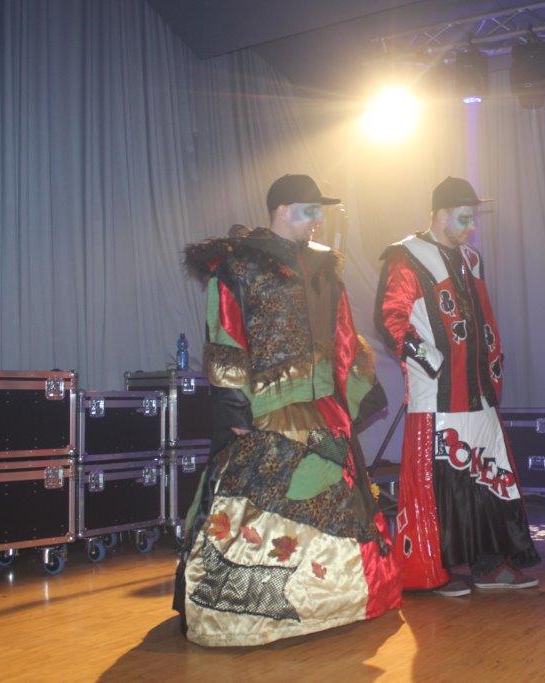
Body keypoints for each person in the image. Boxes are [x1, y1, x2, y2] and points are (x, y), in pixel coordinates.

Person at [174, 174, 400, 647]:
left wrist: (357, 390)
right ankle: (248, 611)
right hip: (267, 411)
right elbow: (225, 335)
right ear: (281, 210)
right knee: (255, 509)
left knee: (335, 502)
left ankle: (332, 604)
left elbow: (343, 334)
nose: (318, 220)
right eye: (310, 210)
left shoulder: (324, 267)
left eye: (320, 211)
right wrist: (234, 406)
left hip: (323, 412)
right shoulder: (238, 264)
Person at [374, 176, 540, 596]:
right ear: (440, 214)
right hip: (437, 395)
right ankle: (435, 569)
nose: (471, 228)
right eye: (464, 219)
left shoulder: (471, 259)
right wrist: (430, 361)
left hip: (478, 389)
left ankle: (488, 563)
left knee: (488, 475)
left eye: (473, 219)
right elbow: (390, 317)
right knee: (442, 481)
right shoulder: (406, 257)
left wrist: (492, 364)